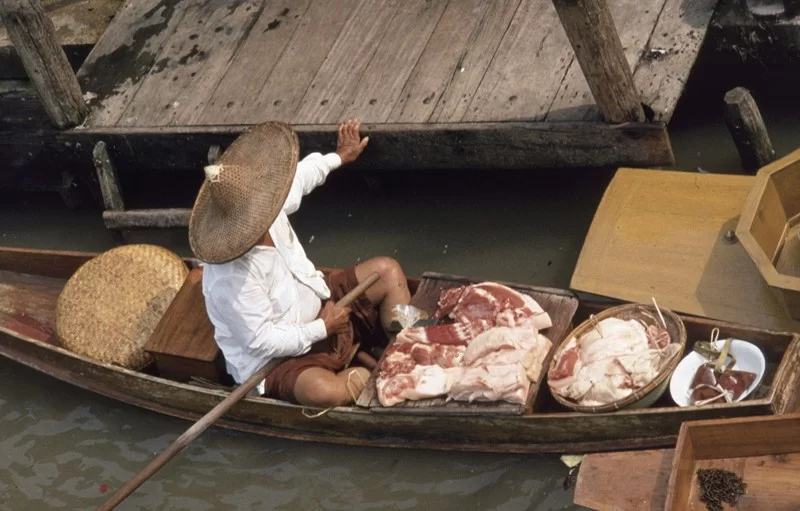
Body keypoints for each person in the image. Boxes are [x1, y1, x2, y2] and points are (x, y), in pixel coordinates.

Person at [188, 119, 411, 408]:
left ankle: (409, 343)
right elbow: (262, 341)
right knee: (322, 392)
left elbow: (300, 177)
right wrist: (321, 328)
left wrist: (339, 156)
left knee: (387, 271)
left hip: (322, 301)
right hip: (280, 357)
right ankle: (379, 380)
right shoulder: (228, 279)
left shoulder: (267, 203)